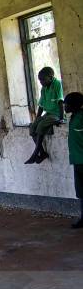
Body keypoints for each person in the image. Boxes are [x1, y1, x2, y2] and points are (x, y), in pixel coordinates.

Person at [25, 67, 65, 164]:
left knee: (41, 126)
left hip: (55, 114)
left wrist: (61, 118)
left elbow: (60, 102)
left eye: (43, 79)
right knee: (33, 127)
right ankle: (42, 153)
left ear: (51, 77)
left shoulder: (57, 84)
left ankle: (35, 153)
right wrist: (37, 118)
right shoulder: (43, 88)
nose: (41, 82)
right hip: (48, 114)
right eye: (39, 80)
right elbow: (41, 106)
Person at [64, 92, 83, 229]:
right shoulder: (74, 117)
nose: (64, 106)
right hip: (77, 160)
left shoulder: (81, 117)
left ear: (74, 105)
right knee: (81, 191)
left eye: (67, 104)